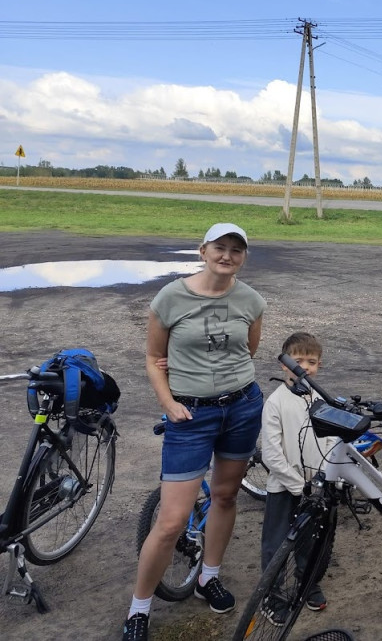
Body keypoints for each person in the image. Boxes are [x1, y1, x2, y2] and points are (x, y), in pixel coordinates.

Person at [124, 223, 266, 641]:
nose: (227, 256)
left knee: (224, 496)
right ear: (202, 251)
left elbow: (247, 351)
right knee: (171, 522)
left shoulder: (251, 300)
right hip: (190, 418)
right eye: (219, 248)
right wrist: (169, 404)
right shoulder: (170, 297)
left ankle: (208, 576)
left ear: (243, 257)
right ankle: (139, 608)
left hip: (241, 408)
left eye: (236, 250)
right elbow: (153, 357)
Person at [260, 333, 336, 620]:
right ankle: (273, 594)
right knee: (277, 542)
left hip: (315, 486)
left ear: (319, 364)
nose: (305, 366)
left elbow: (329, 438)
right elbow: (271, 453)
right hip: (284, 487)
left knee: (311, 539)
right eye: (298, 360)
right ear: (283, 363)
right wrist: (297, 485)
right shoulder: (275, 402)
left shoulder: (320, 398)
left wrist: (322, 476)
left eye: (312, 361)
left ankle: (307, 582)